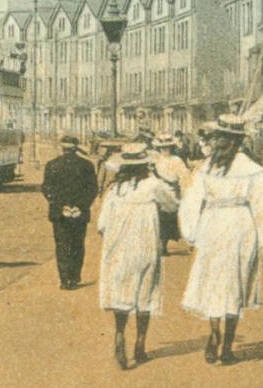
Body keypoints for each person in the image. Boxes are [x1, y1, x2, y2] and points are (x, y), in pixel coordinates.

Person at [179, 114, 263, 364]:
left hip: (212, 226)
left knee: (214, 283)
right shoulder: (252, 169)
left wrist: (190, 232)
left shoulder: (206, 168)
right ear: (240, 140)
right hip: (241, 226)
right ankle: (227, 346)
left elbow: (191, 202)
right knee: (236, 283)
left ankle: (214, 334)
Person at [98, 142, 178, 369]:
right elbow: (172, 206)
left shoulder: (115, 190)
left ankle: (119, 334)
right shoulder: (154, 185)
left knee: (121, 291)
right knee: (145, 292)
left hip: (118, 246)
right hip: (145, 244)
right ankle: (140, 345)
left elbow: (102, 224)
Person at [41, 134, 98, 290]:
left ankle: (64, 279)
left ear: (62, 148)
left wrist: (62, 207)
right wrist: (80, 206)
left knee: (62, 245)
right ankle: (75, 277)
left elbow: (47, 189)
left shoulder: (52, 165)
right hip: (80, 212)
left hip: (59, 213)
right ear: (76, 148)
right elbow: (92, 189)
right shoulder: (87, 165)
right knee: (78, 244)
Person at [151, 133, 190, 255]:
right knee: (159, 217)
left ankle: (164, 243)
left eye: (167, 147)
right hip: (158, 191)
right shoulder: (155, 160)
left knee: (167, 218)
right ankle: (160, 243)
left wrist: (184, 190)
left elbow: (184, 176)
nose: (164, 149)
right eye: (163, 147)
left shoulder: (176, 160)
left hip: (170, 191)